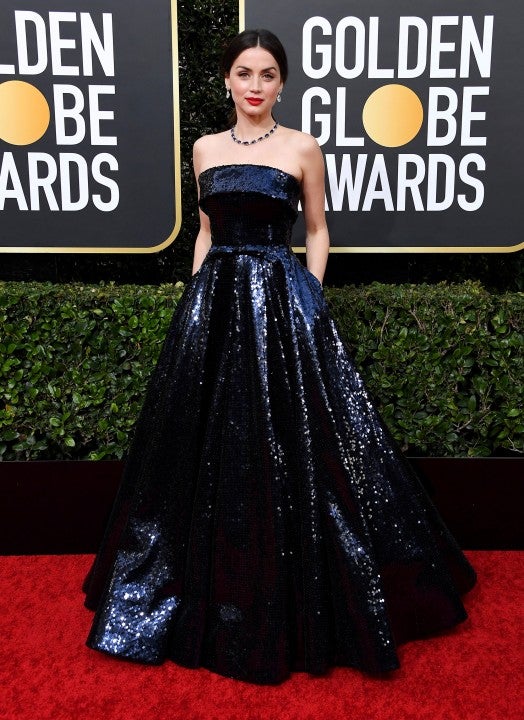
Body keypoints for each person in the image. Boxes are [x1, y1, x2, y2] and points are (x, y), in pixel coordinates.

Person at [83, 29, 477, 686]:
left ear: (282, 83)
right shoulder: (204, 148)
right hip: (214, 307)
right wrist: (196, 301)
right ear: (226, 79)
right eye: (244, 72)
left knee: (300, 441)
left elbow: (317, 229)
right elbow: (205, 233)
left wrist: (311, 296)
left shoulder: (301, 147)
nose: (255, 85)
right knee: (199, 446)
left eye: (267, 74)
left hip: (282, 302)